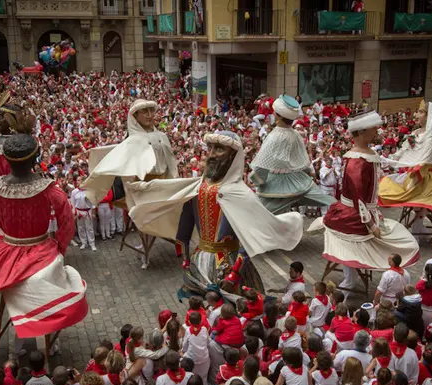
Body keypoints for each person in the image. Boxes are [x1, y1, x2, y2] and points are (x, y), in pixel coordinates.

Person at [126, 130, 302, 303]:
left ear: (232, 155)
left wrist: (234, 274)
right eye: (210, 148)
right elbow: (186, 220)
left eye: (219, 149)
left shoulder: (240, 193)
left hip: (229, 264)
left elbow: (249, 238)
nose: (211, 155)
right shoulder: (199, 186)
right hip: (200, 258)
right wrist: (186, 255)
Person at [0, 133, 88, 340]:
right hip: (42, 250)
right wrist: (60, 247)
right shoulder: (51, 191)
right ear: (36, 159)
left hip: (7, 247)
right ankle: (44, 323)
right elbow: (67, 222)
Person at [310, 111, 419, 291]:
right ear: (361, 132)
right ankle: (349, 279)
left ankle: (354, 275)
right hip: (354, 214)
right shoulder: (357, 162)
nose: (377, 130)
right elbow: (358, 197)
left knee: (397, 235)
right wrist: (370, 223)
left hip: (364, 211)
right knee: (392, 239)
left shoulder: (366, 155)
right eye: (372, 128)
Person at [83, 98, 178, 269]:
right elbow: (125, 164)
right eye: (145, 112)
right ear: (135, 116)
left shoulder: (162, 136)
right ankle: (145, 250)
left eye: (151, 111)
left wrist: (173, 179)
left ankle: (166, 241)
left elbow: (170, 161)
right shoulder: (132, 140)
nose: (149, 115)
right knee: (144, 216)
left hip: (163, 183)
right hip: (142, 186)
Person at [249, 95, 336, 214]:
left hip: (274, 186)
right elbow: (302, 160)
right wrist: (309, 173)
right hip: (299, 182)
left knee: (258, 216)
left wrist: (256, 180)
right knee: (330, 202)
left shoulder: (273, 137)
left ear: (278, 116)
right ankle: (346, 209)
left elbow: (262, 166)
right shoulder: (296, 135)